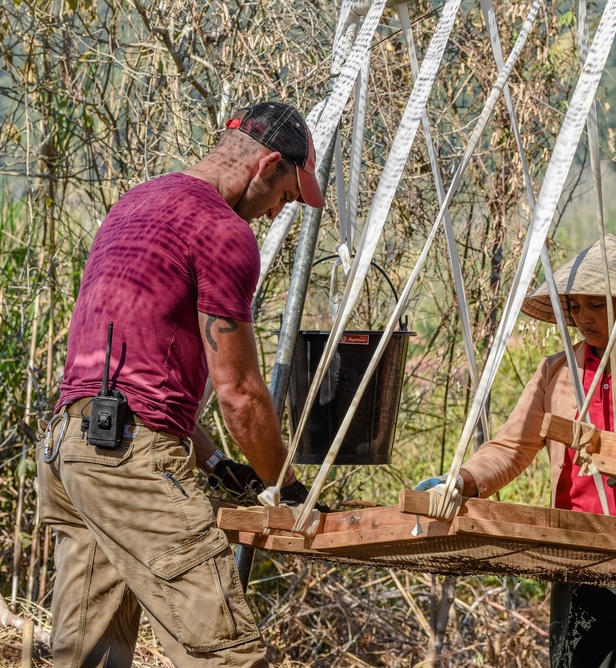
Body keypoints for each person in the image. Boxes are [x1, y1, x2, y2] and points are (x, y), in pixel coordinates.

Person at [37, 101, 325, 667]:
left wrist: (216, 462)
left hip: (72, 454)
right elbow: (239, 393)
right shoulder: (222, 231)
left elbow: (132, 374)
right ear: (267, 165)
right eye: (285, 197)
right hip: (126, 464)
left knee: (89, 661)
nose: (273, 216)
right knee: (226, 656)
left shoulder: (137, 204)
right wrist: (286, 487)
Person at [417, 234, 616, 668]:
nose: (583, 318)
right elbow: (511, 447)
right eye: (575, 307)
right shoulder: (557, 370)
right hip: (573, 546)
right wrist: (462, 481)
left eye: (596, 305)